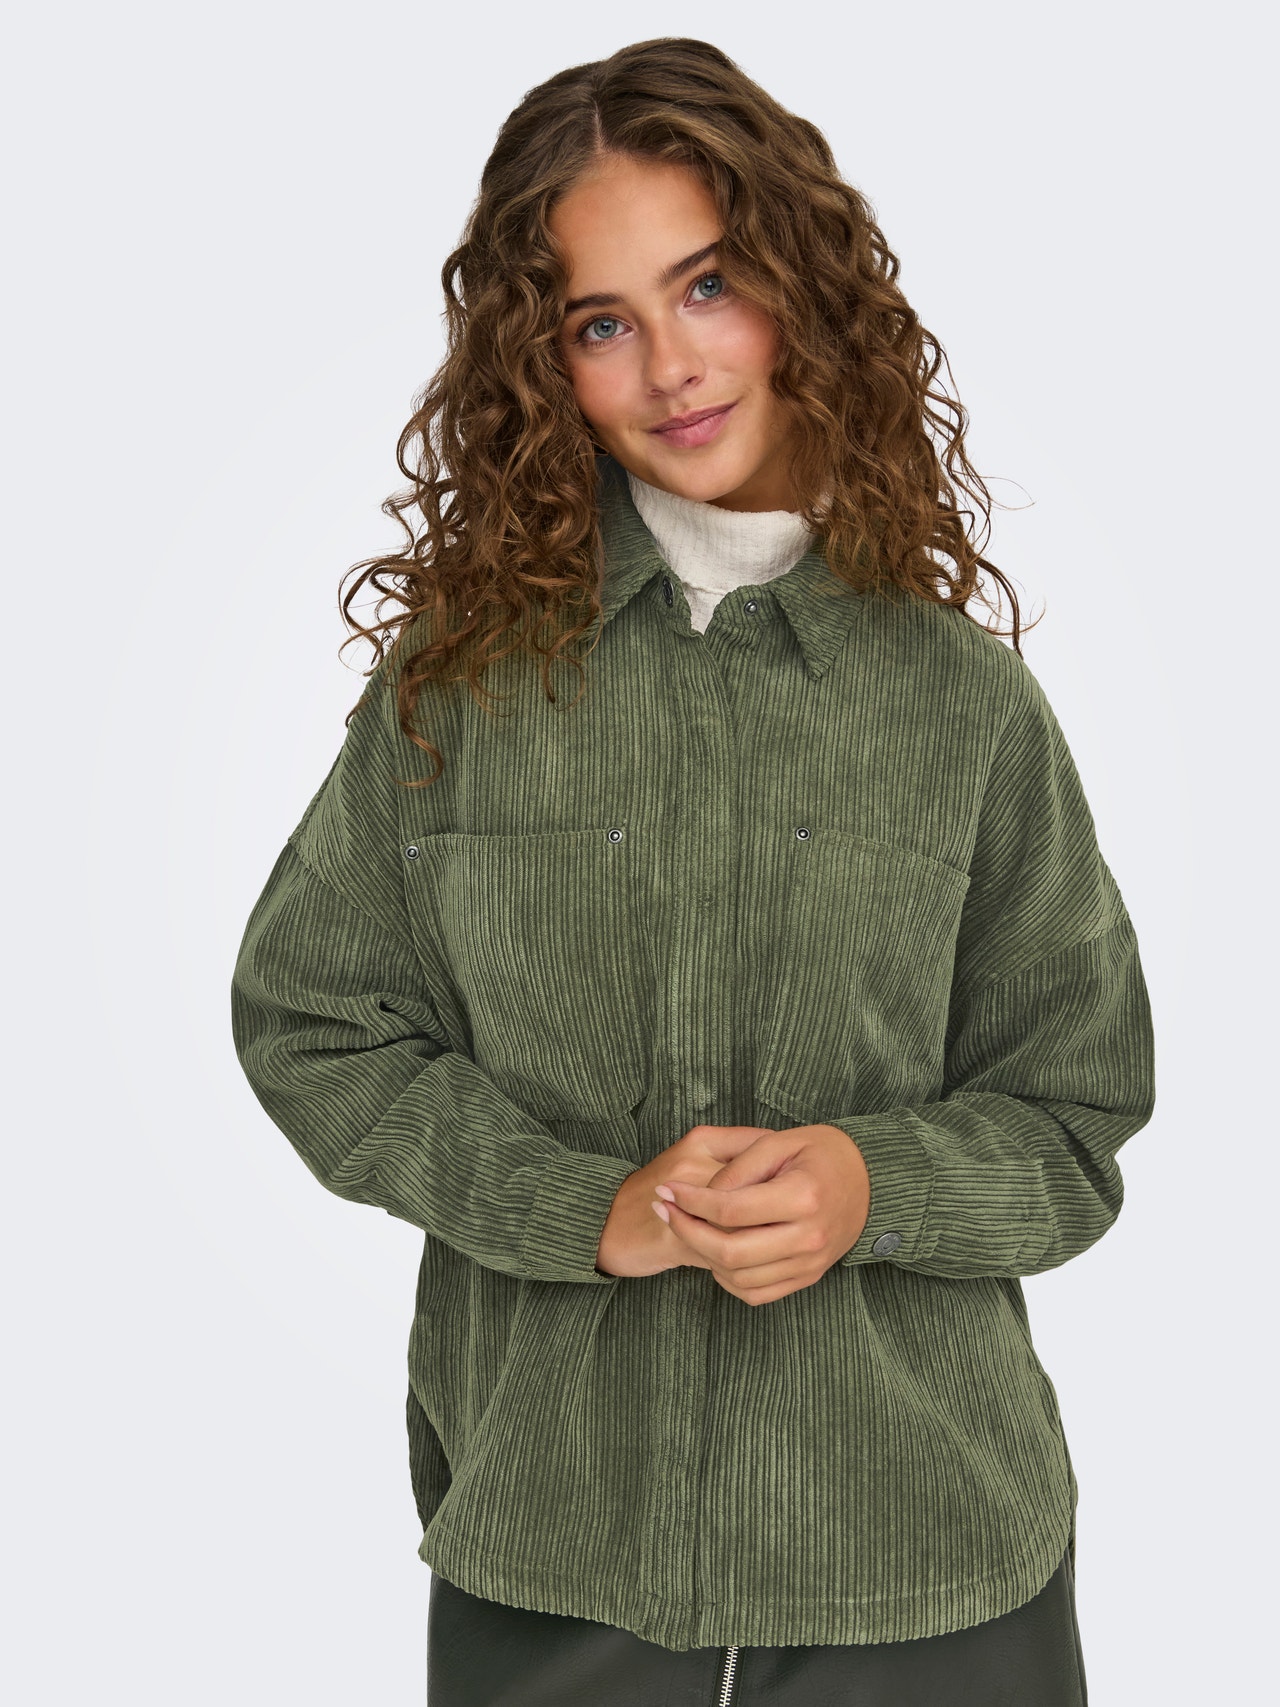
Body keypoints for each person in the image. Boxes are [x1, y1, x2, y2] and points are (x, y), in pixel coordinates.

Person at [230, 36, 1155, 1706]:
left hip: (935, 1568)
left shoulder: (965, 707)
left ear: (800, 286)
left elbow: (1074, 1120)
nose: (670, 365)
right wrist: (581, 1210)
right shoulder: (464, 690)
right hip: (557, 1562)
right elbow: (315, 1025)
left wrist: (871, 1187)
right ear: (543, 365)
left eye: (708, 285)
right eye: (601, 323)